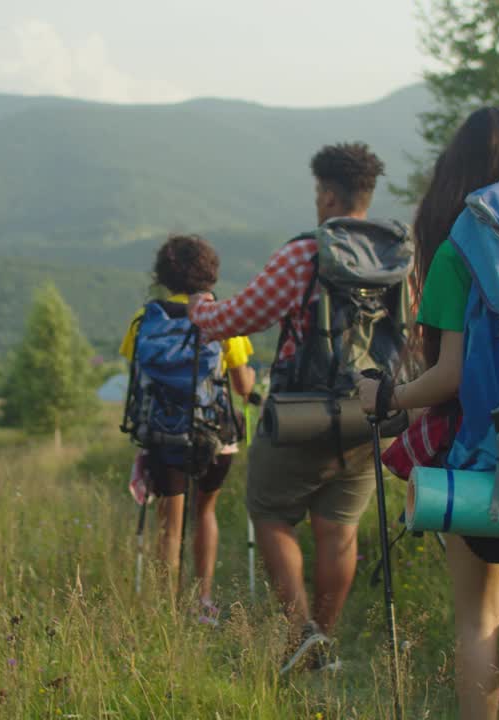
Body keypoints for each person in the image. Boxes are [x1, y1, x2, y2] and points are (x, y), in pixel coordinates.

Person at [359, 107, 499, 720]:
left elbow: (450, 375)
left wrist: (389, 397)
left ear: (455, 169)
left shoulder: (460, 247)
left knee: (478, 619)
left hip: (487, 452)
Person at [187, 143, 391, 672]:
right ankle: (323, 639)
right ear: (367, 194)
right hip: (374, 413)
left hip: (304, 414)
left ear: (326, 194)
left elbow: (239, 317)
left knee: (271, 513)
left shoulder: (305, 254)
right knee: (339, 529)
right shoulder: (400, 254)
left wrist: (203, 310)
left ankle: (302, 633)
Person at [120, 234, 255, 618]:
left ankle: (168, 610)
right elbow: (244, 386)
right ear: (209, 273)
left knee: (170, 525)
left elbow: (137, 376)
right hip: (215, 435)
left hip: (166, 436)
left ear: (164, 274)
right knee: (205, 513)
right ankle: (203, 602)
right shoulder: (223, 317)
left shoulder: (144, 320)